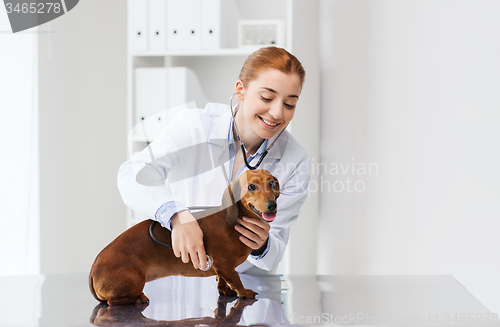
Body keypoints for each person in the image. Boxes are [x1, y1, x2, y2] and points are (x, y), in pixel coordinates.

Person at [117, 46, 310, 274]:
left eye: (289, 104)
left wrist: (262, 245)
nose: (278, 113)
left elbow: (274, 252)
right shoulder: (194, 125)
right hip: (180, 277)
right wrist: (176, 215)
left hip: (240, 285)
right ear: (241, 90)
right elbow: (133, 174)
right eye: (267, 97)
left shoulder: (295, 159)